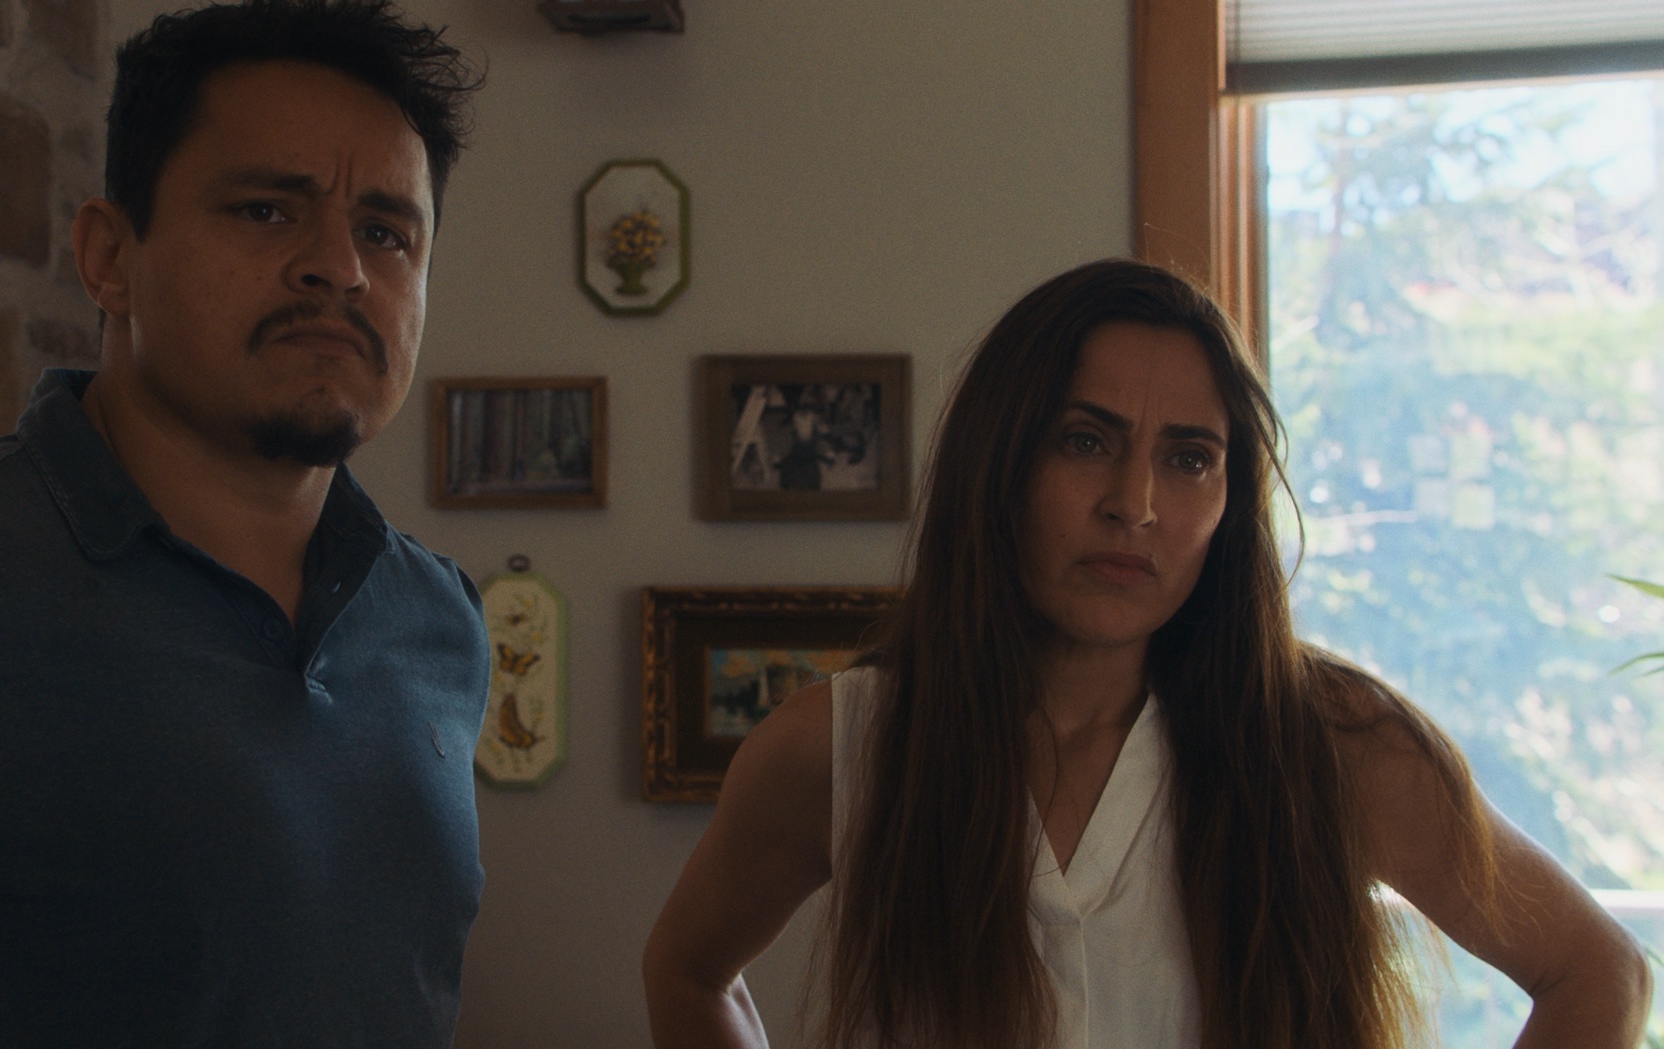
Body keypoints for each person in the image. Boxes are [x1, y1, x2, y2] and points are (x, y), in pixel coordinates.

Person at [0, 0, 490, 1044]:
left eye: (387, 233)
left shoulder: (437, 623)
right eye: (266, 210)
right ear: (108, 258)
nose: (339, 269)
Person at [642, 259, 1652, 1049]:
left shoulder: (1334, 744)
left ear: (1230, 500)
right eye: (1085, 441)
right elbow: (686, 972)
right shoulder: (840, 747)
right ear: (999, 461)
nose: (1135, 503)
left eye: (1189, 458)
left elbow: (1598, 973)